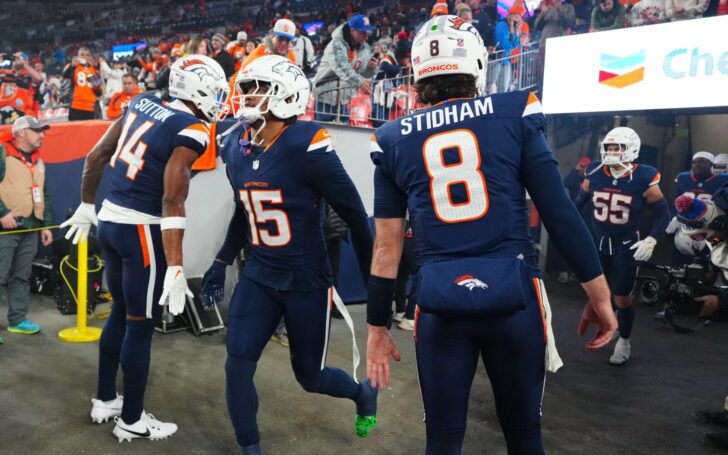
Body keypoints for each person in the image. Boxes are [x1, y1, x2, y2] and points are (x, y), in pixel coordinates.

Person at [366, 15, 616, 454]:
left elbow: (386, 248)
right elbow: (558, 212)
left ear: (420, 71)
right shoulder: (513, 112)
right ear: (477, 63)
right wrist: (598, 294)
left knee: (442, 439)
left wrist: (375, 326)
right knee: (523, 435)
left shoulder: (391, 138)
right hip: (514, 297)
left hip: (440, 303)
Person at [199, 55, 377, 455]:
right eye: (244, 88)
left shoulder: (307, 144)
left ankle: (361, 393)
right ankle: (251, 448)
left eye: (256, 88)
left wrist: (375, 283)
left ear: (287, 95)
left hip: (305, 280)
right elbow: (244, 212)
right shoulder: (234, 147)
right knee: (237, 365)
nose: (246, 96)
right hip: (260, 275)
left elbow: (353, 213)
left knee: (309, 376)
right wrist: (220, 262)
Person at [61, 55, 229, 442]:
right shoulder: (192, 128)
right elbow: (172, 200)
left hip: (110, 220)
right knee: (141, 324)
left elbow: (95, 155)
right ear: (196, 88)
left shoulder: (141, 101)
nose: (219, 99)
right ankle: (132, 420)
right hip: (142, 232)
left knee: (121, 312)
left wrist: (87, 204)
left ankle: (106, 398)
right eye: (216, 90)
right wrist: (175, 267)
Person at [577, 127, 670, 365]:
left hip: (625, 244)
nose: (612, 151)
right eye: (609, 147)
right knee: (598, 292)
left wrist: (652, 239)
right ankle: (612, 324)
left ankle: (624, 341)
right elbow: (576, 206)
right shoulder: (595, 171)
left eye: (617, 147)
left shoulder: (643, 177)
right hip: (598, 241)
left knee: (622, 297)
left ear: (631, 150)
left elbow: (663, 215)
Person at [0, 116, 53, 338]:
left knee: (22, 276)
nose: (42, 134)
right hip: (5, 229)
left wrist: (46, 226)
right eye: (37, 130)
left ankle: (18, 319)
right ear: (20, 132)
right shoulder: (2, 153)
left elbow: (44, 194)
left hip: (30, 227)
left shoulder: (39, 161)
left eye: (42, 130)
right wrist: (2, 214)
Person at [313, 14, 378, 123]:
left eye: (367, 32)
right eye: (362, 32)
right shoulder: (336, 44)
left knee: (343, 133)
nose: (366, 36)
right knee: (322, 133)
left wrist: (370, 68)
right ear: (352, 31)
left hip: (344, 99)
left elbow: (361, 73)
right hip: (325, 98)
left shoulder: (363, 48)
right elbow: (342, 67)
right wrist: (360, 82)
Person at [666, 151, 728, 264]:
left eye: (703, 161)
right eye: (695, 162)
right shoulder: (683, 178)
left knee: (709, 259)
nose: (698, 164)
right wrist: (674, 217)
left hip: (710, 228)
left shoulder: (723, 179)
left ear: (711, 164)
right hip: (685, 227)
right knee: (679, 260)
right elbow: (675, 200)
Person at [0, 52, 43, 124]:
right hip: (4, 113)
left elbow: (38, 79)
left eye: (17, 59)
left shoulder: (28, 77)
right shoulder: (4, 73)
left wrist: (24, 64)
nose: (15, 61)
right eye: (14, 59)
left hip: (24, 116)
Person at [63, 47, 103, 121]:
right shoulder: (73, 67)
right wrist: (72, 65)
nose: (84, 57)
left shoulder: (94, 70)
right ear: (78, 56)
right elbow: (65, 76)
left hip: (90, 107)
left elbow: (99, 92)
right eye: (82, 55)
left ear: (90, 57)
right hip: (76, 106)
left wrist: (96, 86)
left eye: (87, 55)